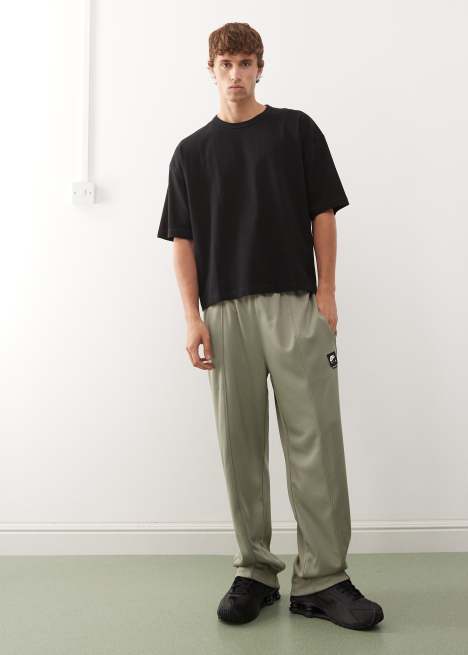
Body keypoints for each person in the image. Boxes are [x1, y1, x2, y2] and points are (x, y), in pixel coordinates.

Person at [158, 21, 384, 631]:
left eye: (245, 62)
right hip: (224, 311)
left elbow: (323, 214)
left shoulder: (295, 130)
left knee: (316, 440)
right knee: (239, 446)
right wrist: (192, 318)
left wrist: (327, 292)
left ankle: (323, 579)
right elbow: (183, 242)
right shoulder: (191, 153)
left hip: (294, 303)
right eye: (225, 63)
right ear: (211, 70)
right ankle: (255, 572)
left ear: (261, 67)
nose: (235, 74)